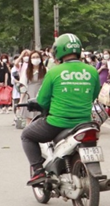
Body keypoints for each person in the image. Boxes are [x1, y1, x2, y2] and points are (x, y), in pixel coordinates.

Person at [20, 33, 100, 185]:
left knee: (27, 135)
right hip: (85, 122)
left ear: (59, 51)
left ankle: (38, 171)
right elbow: (93, 95)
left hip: (57, 123)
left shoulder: (54, 72)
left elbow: (43, 100)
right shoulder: (92, 71)